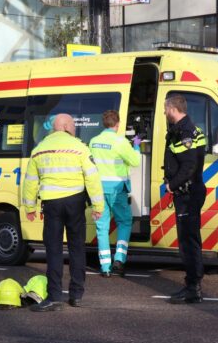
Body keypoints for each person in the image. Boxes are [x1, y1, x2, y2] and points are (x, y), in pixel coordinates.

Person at [21, 113, 104, 311]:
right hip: (75, 202)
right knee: (77, 249)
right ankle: (76, 295)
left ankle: (55, 296)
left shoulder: (39, 149)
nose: (75, 128)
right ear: (66, 126)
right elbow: (92, 178)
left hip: (51, 205)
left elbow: (30, 181)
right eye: (73, 125)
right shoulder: (80, 148)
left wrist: (30, 207)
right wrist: (98, 206)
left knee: (54, 250)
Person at [163, 95, 207, 304]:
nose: (164, 112)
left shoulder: (184, 132)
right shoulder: (189, 129)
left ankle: (193, 287)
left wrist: (172, 185)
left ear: (172, 109)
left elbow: (188, 166)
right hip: (190, 191)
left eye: (165, 109)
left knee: (188, 242)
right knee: (190, 240)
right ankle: (193, 285)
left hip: (187, 194)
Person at [88, 110, 141, 277]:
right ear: (117, 125)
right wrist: (137, 145)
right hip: (117, 190)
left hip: (98, 190)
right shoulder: (121, 141)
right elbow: (135, 161)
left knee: (102, 227)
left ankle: (105, 267)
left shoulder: (94, 141)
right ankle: (119, 259)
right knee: (124, 222)